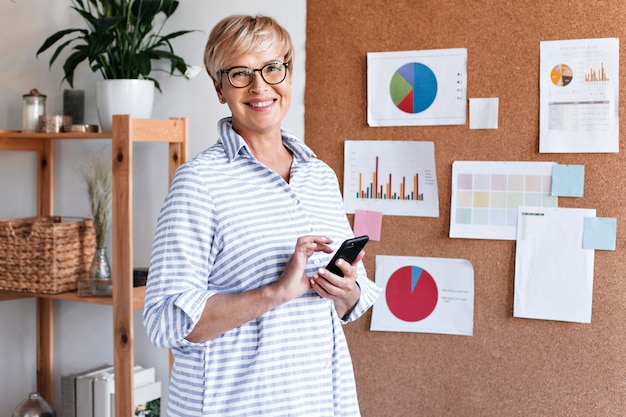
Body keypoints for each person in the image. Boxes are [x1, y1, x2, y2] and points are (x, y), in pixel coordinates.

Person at [143, 14, 381, 416]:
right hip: (231, 406)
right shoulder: (198, 182)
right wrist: (275, 293)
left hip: (320, 402)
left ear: (289, 74)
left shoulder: (319, 175)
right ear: (219, 88)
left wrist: (347, 289)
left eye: (273, 68)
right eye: (240, 73)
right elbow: (165, 319)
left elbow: (346, 303)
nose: (260, 87)